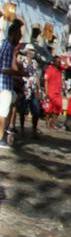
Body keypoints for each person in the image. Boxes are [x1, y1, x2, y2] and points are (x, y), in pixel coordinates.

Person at [0, 19, 23, 149]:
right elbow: (2, 68)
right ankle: (0, 138)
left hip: (7, 86)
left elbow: (11, 66)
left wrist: (15, 55)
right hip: (3, 86)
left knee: (14, 101)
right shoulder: (6, 46)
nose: (19, 39)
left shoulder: (10, 48)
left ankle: (7, 130)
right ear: (14, 34)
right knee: (2, 114)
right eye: (19, 36)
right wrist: (18, 74)